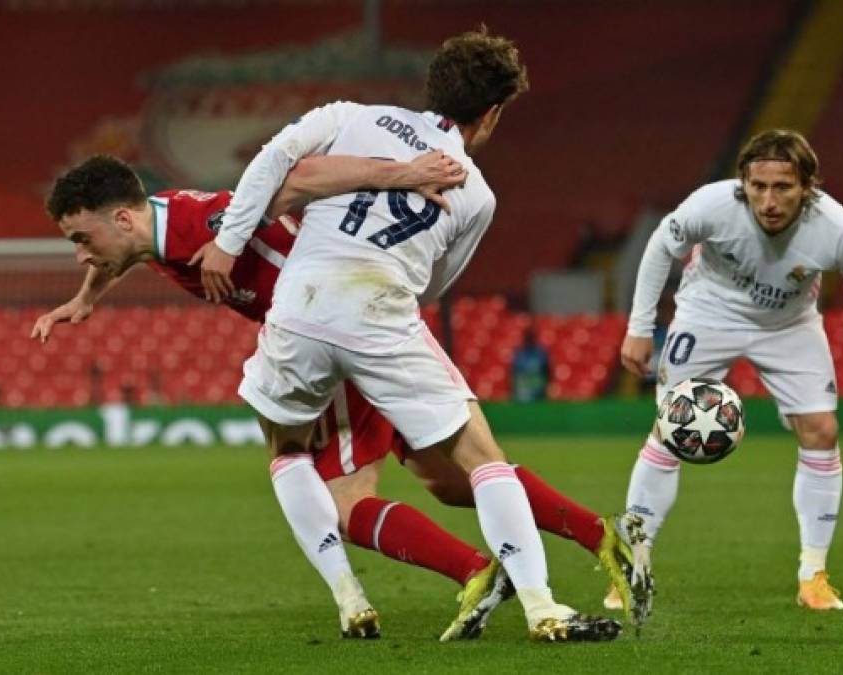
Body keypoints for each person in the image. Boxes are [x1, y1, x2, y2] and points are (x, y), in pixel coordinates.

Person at [36, 154, 646, 641]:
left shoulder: (210, 222)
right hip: (352, 327)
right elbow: (123, 251)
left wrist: (401, 177)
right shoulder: (155, 224)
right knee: (450, 480)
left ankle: (476, 574)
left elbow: (283, 189)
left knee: (346, 503)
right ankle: (604, 537)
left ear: (121, 219)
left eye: (80, 239)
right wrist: (88, 295)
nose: (81, 254)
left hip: (326, 339)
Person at [198, 26, 652, 641]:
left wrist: (227, 244)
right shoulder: (476, 192)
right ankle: (544, 608)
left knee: (287, 452)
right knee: (482, 462)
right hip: (381, 310)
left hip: (299, 306)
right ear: (491, 114)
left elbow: (273, 160)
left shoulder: (349, 116)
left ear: (430, 86)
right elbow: (432, 286)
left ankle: (349, 597)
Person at [612, 128, 843, 612]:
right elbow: (658, 248)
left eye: (783, 187)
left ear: (809, 187)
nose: (769, 200)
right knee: (671, 429)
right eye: (758, 187)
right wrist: (640, 326)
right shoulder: (711, 205)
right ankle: (633, 564)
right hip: (708, 314)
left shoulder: (837, 226)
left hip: (790, 325)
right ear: (743, 183)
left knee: (822, 430)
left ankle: (813, 575)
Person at [511, 325, 550, 401]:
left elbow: (547, 370)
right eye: (528, 337)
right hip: (523, 390)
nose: (529, 339)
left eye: (531, 337)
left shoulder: (540, 353)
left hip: (539, 390)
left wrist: (547, 386)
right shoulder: (520, 353)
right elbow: (514, 372)